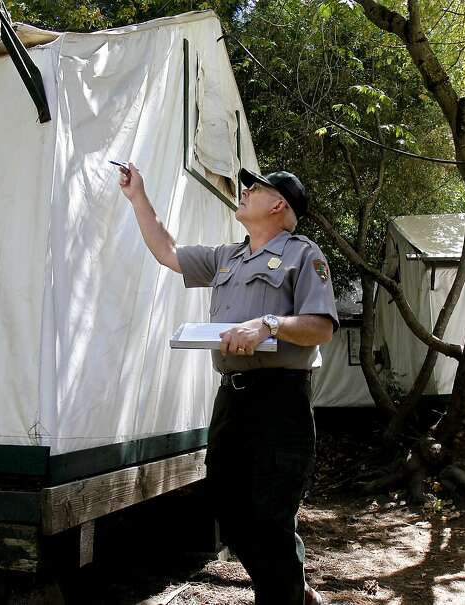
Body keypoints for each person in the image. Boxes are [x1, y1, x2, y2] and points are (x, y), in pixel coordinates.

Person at [118, 162, 338, 605]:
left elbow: (321, 327)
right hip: (232, 399)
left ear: (278, 203)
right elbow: (168, 251)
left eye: (253, 188)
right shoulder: (227, 257)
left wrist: (269, 324)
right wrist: (138, 197)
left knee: (271, 513)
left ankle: (284, 597)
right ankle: (293, 590)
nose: (244, 192)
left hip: (281, 398)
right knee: (228, 505)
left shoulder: (303, 254)